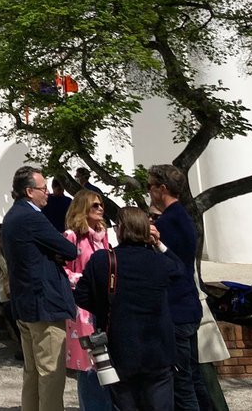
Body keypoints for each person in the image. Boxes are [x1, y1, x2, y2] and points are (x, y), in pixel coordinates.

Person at [75, 207, 183, 411]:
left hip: (120, 347)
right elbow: (180, 270)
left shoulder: (102, 260)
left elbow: (81, 295)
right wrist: (158, 244)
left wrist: (105, 308)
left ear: (121, 229)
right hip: (158, 348)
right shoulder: (159, 262)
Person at [2, 165, 77, 411]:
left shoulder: (12, 216)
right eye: (43, 189)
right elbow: (69, 250)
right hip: (44, 306)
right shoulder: (32, 217)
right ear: (29, 191)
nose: (48, 193)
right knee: (51, 374)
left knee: (33, 372)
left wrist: (50, 252)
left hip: (25, 303)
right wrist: (54, 253)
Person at [148, 163, 204, 411]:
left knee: (182, 384)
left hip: (176, 308)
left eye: (150, 186)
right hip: (187, 305)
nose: (148, 192)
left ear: (162, 188)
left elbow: (170, 266)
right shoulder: (182, 216)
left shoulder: (169, 222)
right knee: (193, 378)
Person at [61, 190, 111, 411]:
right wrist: (84, 279)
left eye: (101, 205)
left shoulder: (103, 235)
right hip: (83, 306)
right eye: (95, 205)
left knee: (105, 362)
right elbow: (62, 270)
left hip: (104, 304)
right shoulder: (71, 236)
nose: (100, 209)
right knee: (88, 363)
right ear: (83, 208)